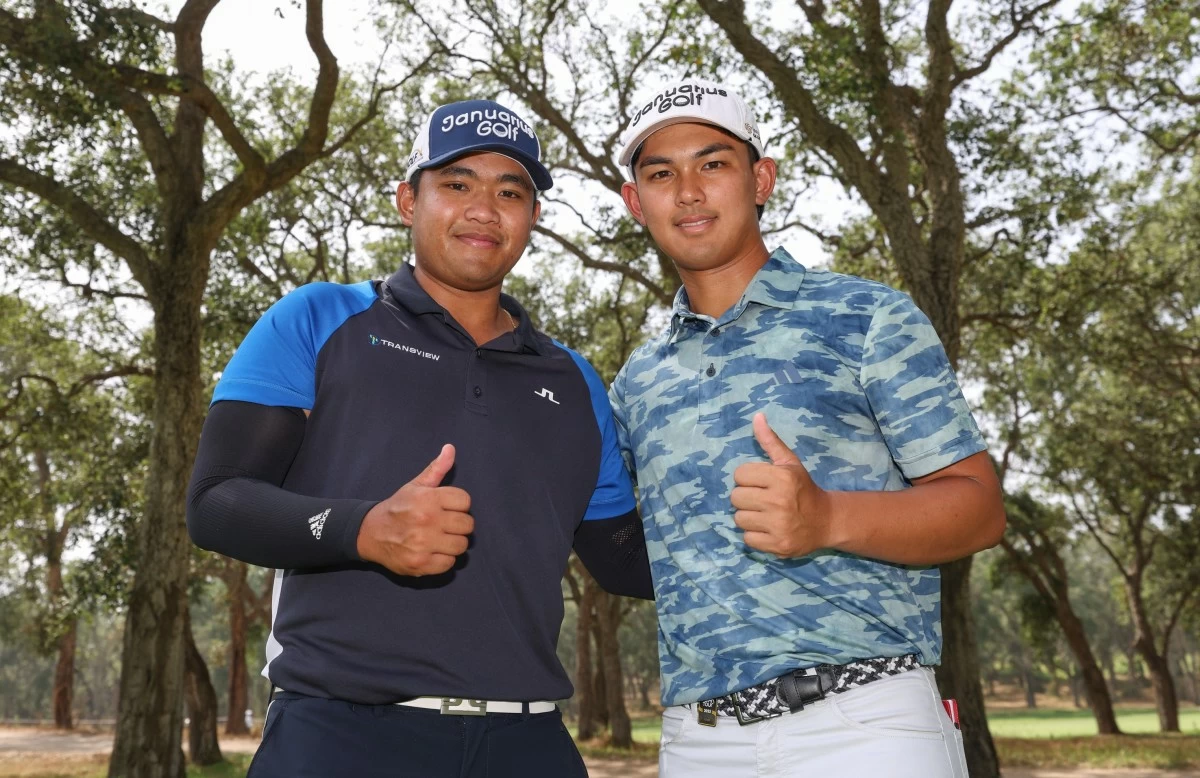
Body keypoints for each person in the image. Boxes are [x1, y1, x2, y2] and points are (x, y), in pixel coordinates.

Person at [186, 98, 651, 778]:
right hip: (341, 736)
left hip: (530, 745)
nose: (484, 209)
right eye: (457, 184)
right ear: (410, 200)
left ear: (534, 218)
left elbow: (622, 559)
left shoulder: (576, 381)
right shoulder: (317, 319)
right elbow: (216, 502)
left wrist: (807, 525)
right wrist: (363, 529)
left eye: (510, 191)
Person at [609, 79, 1007, 777]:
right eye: (661, 174)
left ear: (760, 179)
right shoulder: (636, 382)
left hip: (865, 725)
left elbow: (978, 507)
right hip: (698, 742)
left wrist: (826, 518)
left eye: (713, 163)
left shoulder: (867, 318)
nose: (690, 192)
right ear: (635, 202)